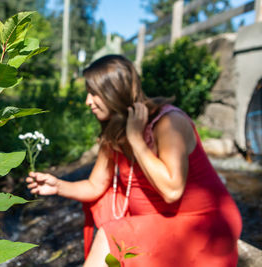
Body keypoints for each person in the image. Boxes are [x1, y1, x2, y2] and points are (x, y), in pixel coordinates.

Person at [26, 55, 242, 266]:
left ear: (114, 91)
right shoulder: (113, 129)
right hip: (160, 222)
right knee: (105, 203)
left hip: (203, 227)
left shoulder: (169, 123)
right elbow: (95, 186)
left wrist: (136, 140)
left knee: (110, 237)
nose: (87, 101)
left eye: (93, 93)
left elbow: (172, 190)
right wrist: (58, 186)